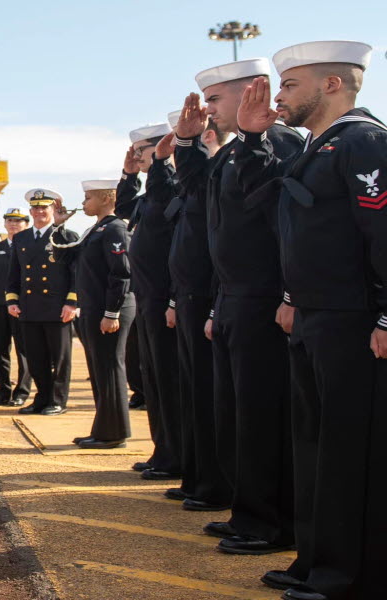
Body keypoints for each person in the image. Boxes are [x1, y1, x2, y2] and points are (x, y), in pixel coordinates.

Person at [234, 41, 386, 600]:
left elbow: (383, 235)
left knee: (350, 453)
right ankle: (316, 562)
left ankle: (347, 578)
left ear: (332, 85)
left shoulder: (365, 142)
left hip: (354, 320)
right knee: (316, 450)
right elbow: (254, 203)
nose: (279, 97)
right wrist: (251, 137)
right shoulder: (316, 148)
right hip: (313, 318)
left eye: (290, 85)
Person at [173, 58, 303, 555]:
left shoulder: (278, 143)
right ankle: (249, 512)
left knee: (263, 416)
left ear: (252, 93)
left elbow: (284, 225)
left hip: (265, 299)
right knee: (236, 416)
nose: (207, 110)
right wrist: (186, 145)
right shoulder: (229, 155)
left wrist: (289, 294)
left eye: (214, 99)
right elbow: (195, 196)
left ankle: (273, 522)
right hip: (231, 298)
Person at [160, 114, 233, 512]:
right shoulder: (195, 182)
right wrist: (155, 164)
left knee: (210, 397)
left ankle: (214, 483)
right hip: (189, 300)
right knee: (195, 396)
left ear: (205, 137)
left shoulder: (218, 175)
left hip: (211, 299)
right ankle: (199, 477)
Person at [118, 123, 182, 481]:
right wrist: (128, 175)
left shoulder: (172, 184)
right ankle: (163, 450)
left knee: (169, 381)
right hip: (147, 298)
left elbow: (179, 246)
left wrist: (157, 164)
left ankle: (176, 455)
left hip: (165, 299)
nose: (137, 156)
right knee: (153, 379)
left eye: (141, 151)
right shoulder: (150, 192)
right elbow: (128, 205)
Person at [69, 180, 135, 448]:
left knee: (109, 369)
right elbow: (66, 259)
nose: (84, 203)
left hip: (109, 310)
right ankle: (103, 429)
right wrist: (60, 225)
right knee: (99, 370)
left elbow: (121, 273)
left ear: (106, 198)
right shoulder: (95, 229)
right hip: (94, 309)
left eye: (88, 198)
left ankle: (114, 432)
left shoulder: (116, 228)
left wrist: (112, 312)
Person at [6, 189, 79, 416]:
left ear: (53, 210)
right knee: (36, 358)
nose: (39, 212)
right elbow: (14, 273)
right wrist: (12, 299)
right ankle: (42, 398)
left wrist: (72, 303)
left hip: (57, 308)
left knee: (59, 358)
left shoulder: (66, 237)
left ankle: (57, 400)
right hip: (29, 307)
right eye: (36, 208)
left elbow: (76, 273)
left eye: (44, 207)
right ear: (31, 211)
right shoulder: (21, 238)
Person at [0, 208, 33, 407]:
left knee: (23, 351)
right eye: (10, 220)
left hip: (22, 306)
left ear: (26, 224)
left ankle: (22, 391)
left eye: (18, 221)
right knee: (0, 350)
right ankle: (3, 391)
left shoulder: (29, 246)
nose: (13, 224)